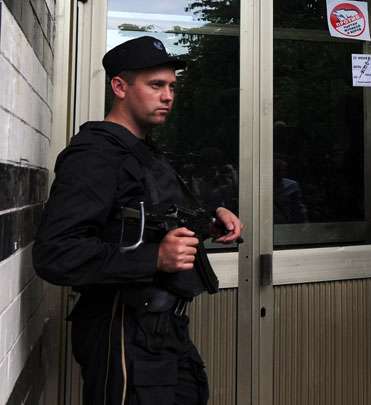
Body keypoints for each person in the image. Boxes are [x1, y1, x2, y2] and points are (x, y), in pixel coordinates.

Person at [33, 36, 242, 404]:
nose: (168, 96)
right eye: (156, 85)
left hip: (160, 333)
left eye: (172, 86)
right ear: (119, 86)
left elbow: (146, 220)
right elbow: (56, 253)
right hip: (122, 332)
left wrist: (209, 220)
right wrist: (154, 259)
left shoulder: (141, 151)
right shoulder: (94, 155)